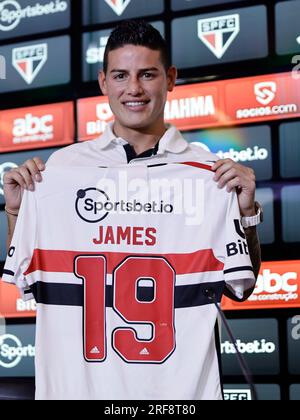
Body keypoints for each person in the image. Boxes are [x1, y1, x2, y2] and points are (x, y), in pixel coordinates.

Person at [2, 20, 262, 400]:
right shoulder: (58, 172)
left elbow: (243, 285)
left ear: (170, 78)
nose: (134, 89)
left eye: (148, 74)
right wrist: (17, 213)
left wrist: (246, 213)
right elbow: (24, 275)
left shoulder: (210, 176)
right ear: (104, 82)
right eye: (121, 75)